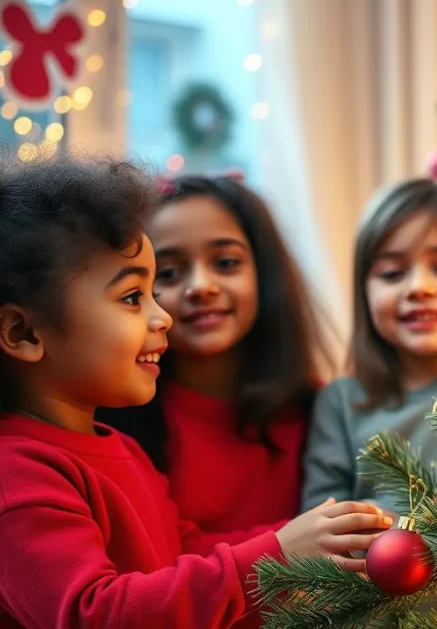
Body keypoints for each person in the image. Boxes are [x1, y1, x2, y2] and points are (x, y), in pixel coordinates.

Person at [0, 144, 390, 627]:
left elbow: (183, 553)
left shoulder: (116, 448)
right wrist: (277, 554)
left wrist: (321, 535)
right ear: (23, 333)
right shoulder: (8, 477)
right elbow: (95, 614)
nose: (162, 315)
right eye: (132, 297)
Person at [98, 174, 334, 532]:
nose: (201, 287)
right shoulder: (110, 426)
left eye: (225, 263)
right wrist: (287, 544)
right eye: (168, 272)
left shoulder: (322, 410)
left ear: (264, 273)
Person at [302, 178, 437, 517]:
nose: (419, 288)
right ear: (364, 292)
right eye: (392, 273)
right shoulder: (340, 404)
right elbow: (319, 525)